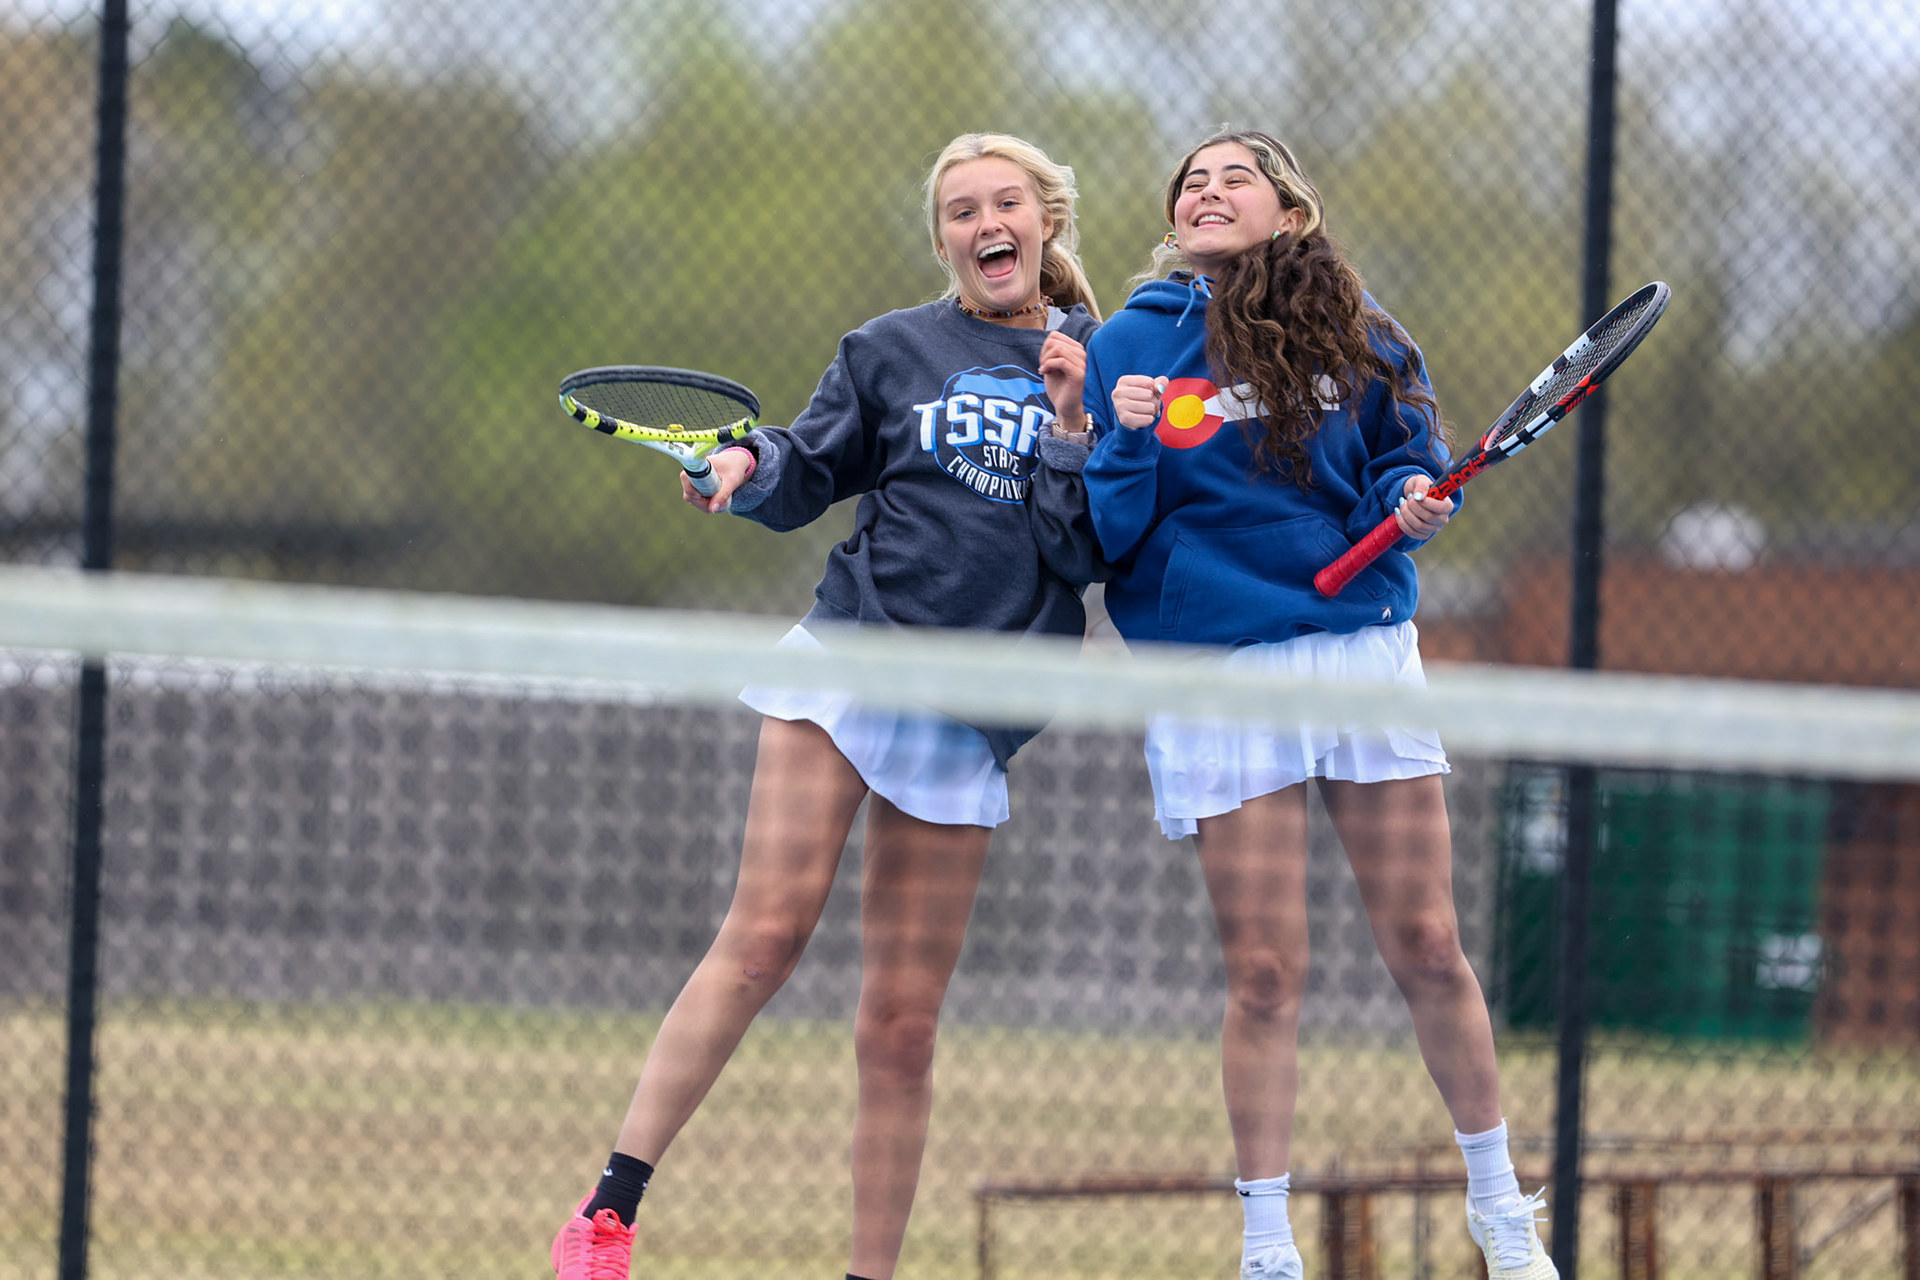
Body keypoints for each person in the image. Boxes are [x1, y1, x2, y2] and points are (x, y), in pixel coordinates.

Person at [549, 132, 1103, 1280]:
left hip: (978, 707)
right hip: (855, 655)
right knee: (763, 939)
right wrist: (741, 466)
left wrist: (1069, 420)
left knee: (901, 1027)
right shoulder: (891, 349)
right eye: (961, 210)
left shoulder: (1106, 362)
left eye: (1005, 202)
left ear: (1046, 219)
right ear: (944, 239)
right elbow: (802, 463)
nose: (986, 224)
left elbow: (1083, 548)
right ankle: (606, 1215)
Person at [1078, 128, 1557, 1280]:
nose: (1206, 190)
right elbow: (1110, 532)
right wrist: (1128, 438)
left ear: (1289, 213)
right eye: (1191, 181)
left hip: (1359, 648)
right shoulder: (1129, 344)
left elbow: (1402, 460)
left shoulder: (1364, 329)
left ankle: (1500, 1209)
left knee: (1430, 942)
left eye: (1234, 176)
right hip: (1217, 667)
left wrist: (1411, 498)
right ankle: (1266, 1245)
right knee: (1265, 973)